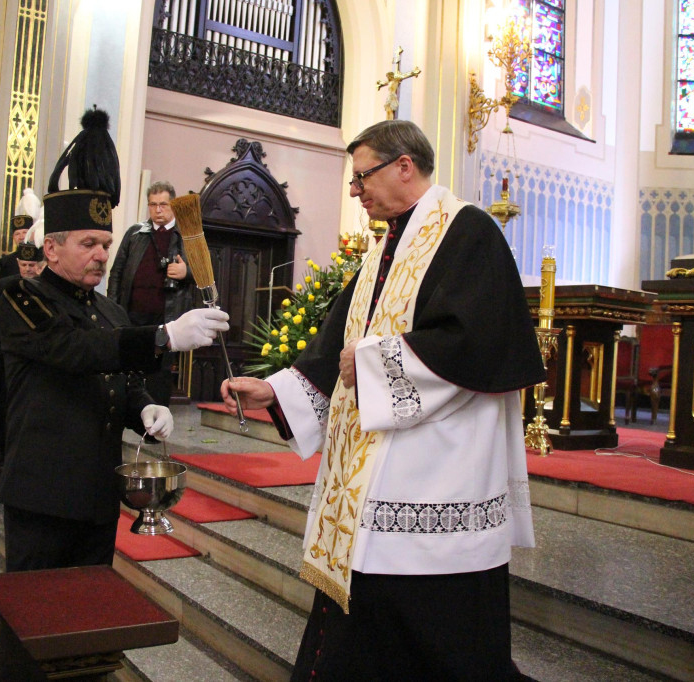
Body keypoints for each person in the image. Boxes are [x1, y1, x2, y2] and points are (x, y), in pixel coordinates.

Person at [220, 120, 545, 680]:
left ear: (404, 167)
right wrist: (274, 388)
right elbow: (335, 345)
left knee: (434, 641)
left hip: (436, 476)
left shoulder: (468, 233)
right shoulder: (384, 250)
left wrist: (372, 363)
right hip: (378, 481)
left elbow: (474, 342)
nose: (354, 190)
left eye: (361, 175)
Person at [0, 107, 229, 571]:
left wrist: (143, 406)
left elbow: (117, 376)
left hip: (99, 493)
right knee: (35, 617)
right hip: (43, 492)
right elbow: (77, 351)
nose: (101, 255)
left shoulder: (108, 308)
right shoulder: (21, 296)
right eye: (88, 244)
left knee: (92, 615)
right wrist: (163, 335)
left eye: (105, 243)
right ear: (51, 247)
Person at [107, 181, 194, 408]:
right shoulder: (135, 233)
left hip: (166, 315)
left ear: (173, 205)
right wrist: (111, 308)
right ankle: (129, 413)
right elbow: (117, 272)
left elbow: (206, 273)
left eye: (163, 205)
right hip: (132, 313)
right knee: (129, 365)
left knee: (159, 371)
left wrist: (186, 272)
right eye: (153, 205)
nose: (157, 210)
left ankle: (156, 421)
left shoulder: (187, 235)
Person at [0, 214, 35, 283]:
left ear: (32, 234)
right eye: (17, 234)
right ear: (13, 237)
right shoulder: (5, 262)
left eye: (25, 232)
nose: (21, 237)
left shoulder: (41, 259)